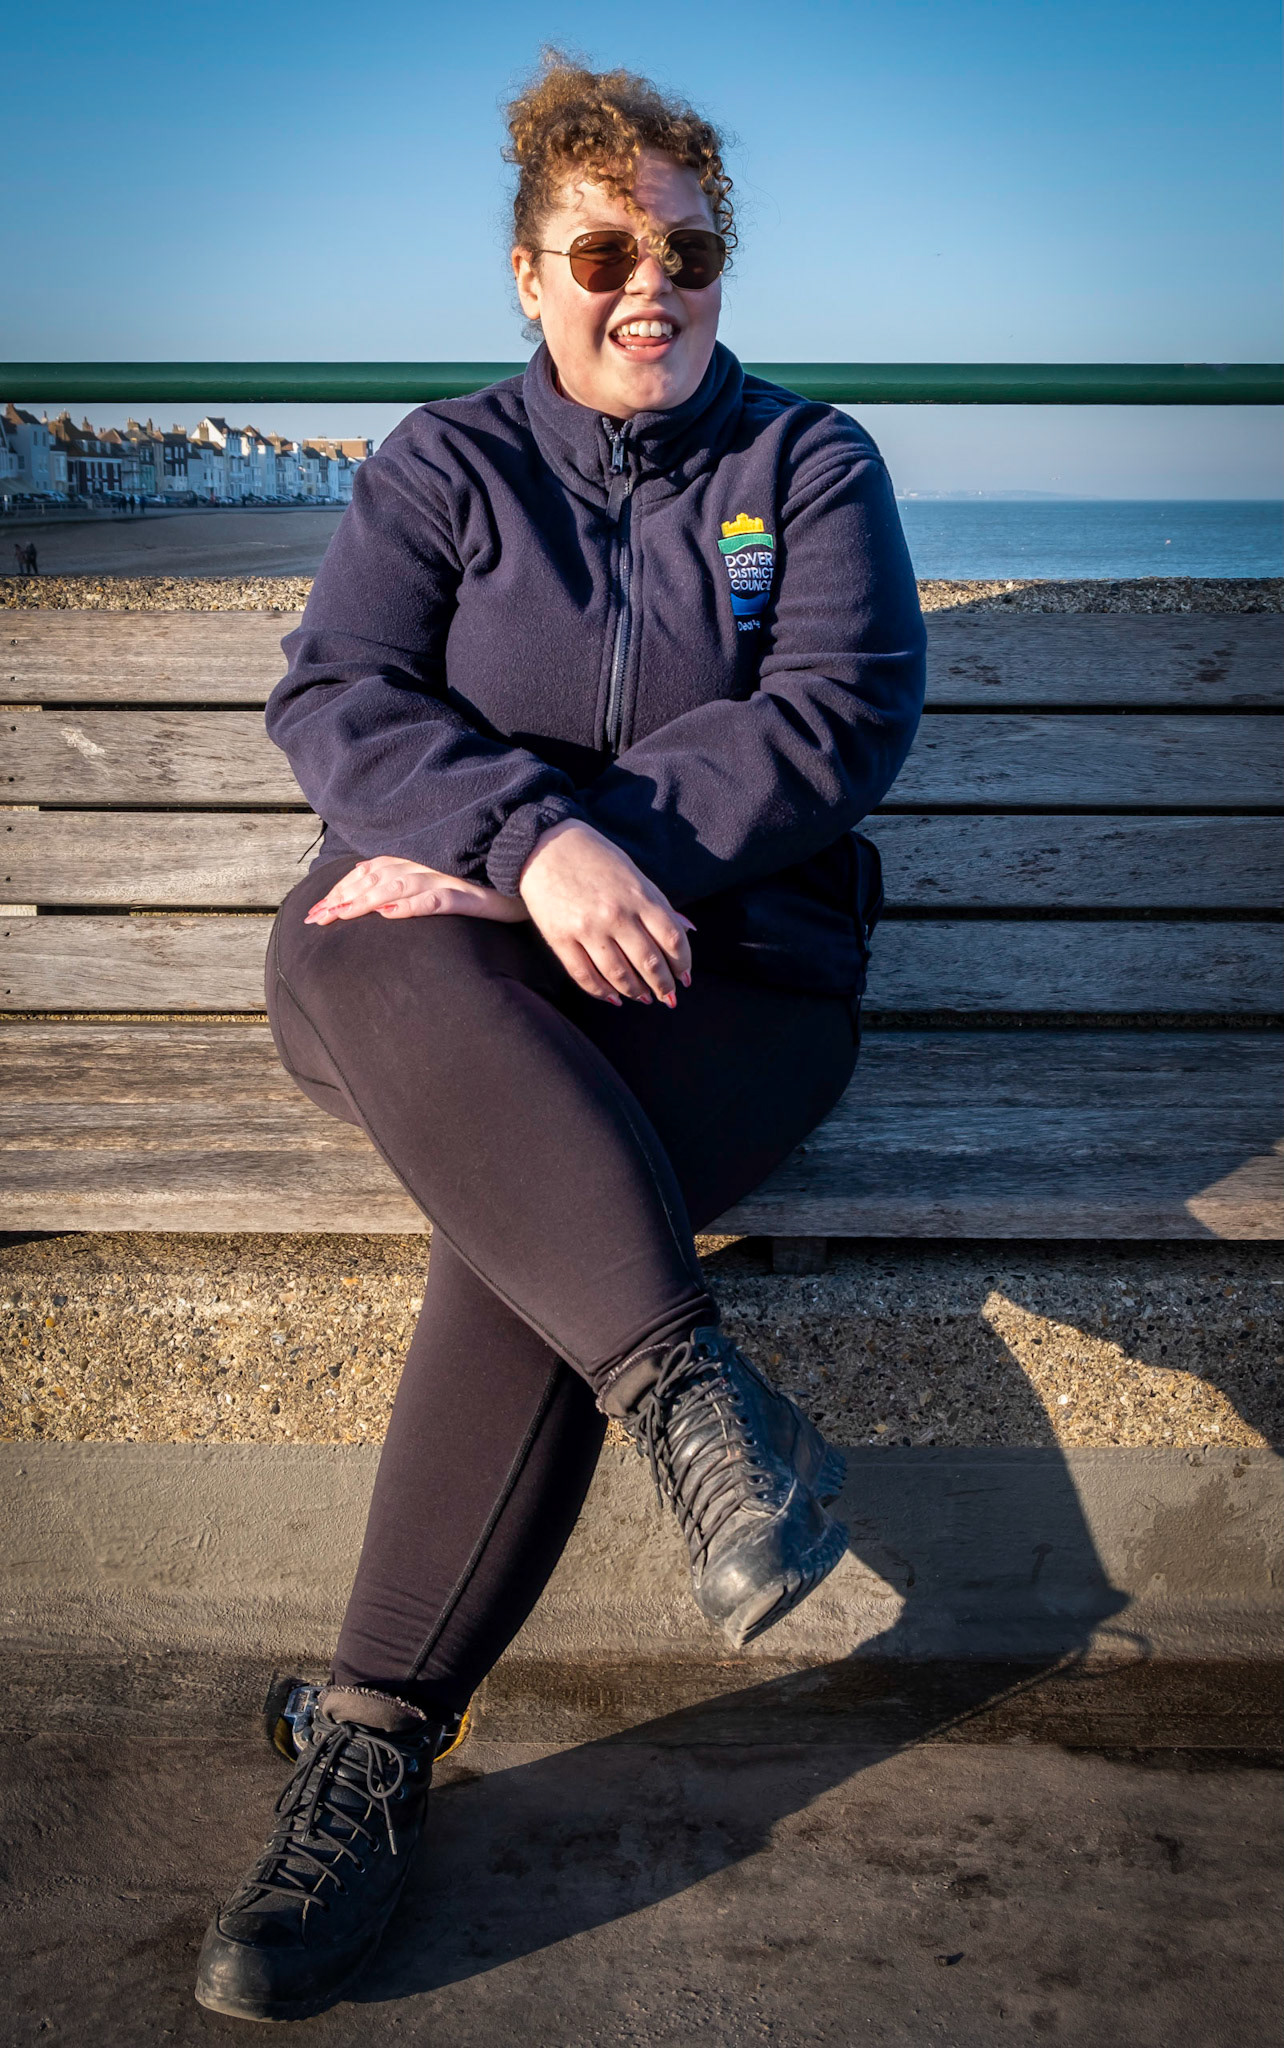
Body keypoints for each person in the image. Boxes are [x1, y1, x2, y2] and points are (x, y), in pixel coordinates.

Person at [195, 56, 925, 2024]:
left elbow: (836, 719)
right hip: (450, 962)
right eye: (605, 249)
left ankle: (364, 1745)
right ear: (532, 271)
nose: (651, 284)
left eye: (689, 248)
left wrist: (621, 859)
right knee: (349, 949)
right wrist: (525, 851)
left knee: (513, 1227)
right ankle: (694, 1396)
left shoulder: (811, 468)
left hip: (738, 983)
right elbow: (339, 691)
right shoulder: (445, 467)